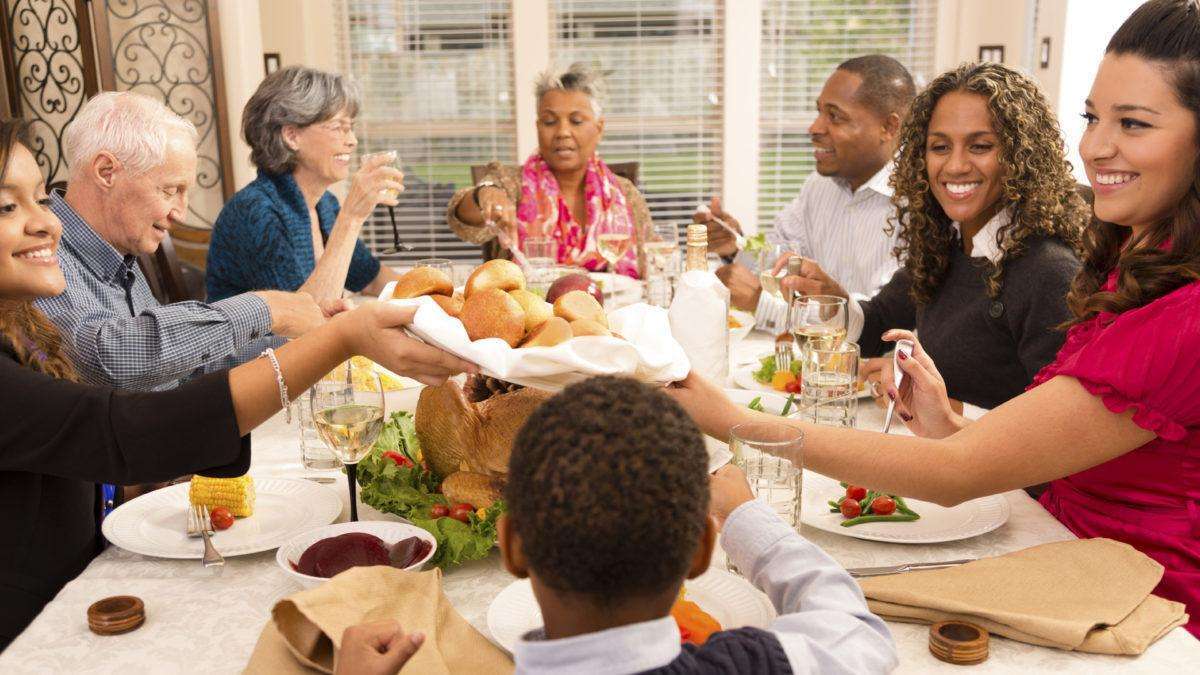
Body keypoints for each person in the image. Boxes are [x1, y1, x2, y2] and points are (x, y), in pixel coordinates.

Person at [668, 0, 1200, 637]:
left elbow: (960, 476)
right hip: (1059, 557)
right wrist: (950, 426)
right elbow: (1043, 454)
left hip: (1142, 612)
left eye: (1134, 123)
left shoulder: (1176, 315)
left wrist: (729, 419)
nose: (1096, 145)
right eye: (1092, 117)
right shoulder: (1127, 265)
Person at [0, 118, 476, 648]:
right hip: (34, 632)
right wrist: (330, 337)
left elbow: (94, 434)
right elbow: (117, 421)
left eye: (42, 198)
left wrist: (320, 340)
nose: (49, 223)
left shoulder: (28, 320)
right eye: (7, 206)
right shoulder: (261, 211)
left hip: (86, 580)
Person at [335, 376, 897, 675]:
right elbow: (856, 630)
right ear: (701, 549)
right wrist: (747, 518)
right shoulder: (753, 664)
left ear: (512, 546)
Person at [780, 62, 1087, 410]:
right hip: (932, 452)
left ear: (1020, 156)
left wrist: (939, 408)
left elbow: (1053, 429)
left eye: (980, 146)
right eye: (940, 147)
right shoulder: (946, 242)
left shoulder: (1048, 272)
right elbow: (877, 324)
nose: (954, 166)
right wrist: (831, 300)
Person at [34, 91, 333, 391]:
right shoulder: (38, 254)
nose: (180, 213)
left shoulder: (119, 253)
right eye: (169, 190)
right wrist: (266, 308)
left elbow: (186, 367)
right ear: (106, 172)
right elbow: (109, 358)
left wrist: (304, 339)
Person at [697, 55, 915, 330]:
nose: (814, 128)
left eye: (834, 116)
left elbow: (876, 323)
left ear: (889, 127)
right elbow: (779, 263)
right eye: (819, 112)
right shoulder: (820, 185)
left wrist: (759, 302)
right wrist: (734, 247)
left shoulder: (919, 205)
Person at [206, 66, 404, 303]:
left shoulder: (325, 205)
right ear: (291, 136)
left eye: (350, 128)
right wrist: (351, 218)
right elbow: (301, 321)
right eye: (338, 127)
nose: (352, 141)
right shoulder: (254, 212)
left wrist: (437, 293)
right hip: (269, 341)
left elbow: (370, 278)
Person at [445, 62, 653, 278]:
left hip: (613, 309)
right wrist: (485, 194)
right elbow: (460, 217)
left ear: (599, 128)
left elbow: (651, 259)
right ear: (537, 127)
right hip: (532, 309)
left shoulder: (623, 191)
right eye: (550, 121)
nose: (563, 132)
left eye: (576, 121)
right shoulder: (511, 183)